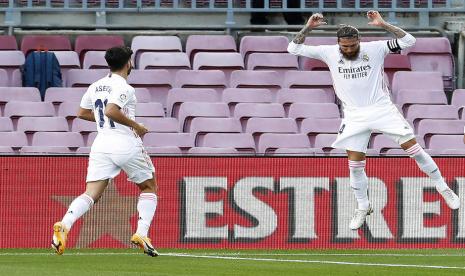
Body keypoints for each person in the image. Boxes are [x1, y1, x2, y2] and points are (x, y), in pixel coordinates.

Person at [288, 11, 460, 230]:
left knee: (414, 149)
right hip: (354, 114)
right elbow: (293, 48)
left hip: (381, 109)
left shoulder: (375, 48)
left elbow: (409, 41)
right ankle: (363, 206)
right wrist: (308, 28)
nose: (349, 49)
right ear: (338, 43)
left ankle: (442, 186)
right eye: (345, 46)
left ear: (359, 41)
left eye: (352, 45)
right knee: (355, 165)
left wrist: (383, 24)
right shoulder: (328, 52)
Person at [51, 46, 159, 257]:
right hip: (125, 142)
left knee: (91, 193)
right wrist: (136, 126)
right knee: (149, 186)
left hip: (101, 144)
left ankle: (65, 224)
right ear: (128, 62)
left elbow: (82, 113)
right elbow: (111, 110)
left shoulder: (96, 85)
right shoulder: (125, 87)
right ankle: (141, 233)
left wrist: (102, 120)